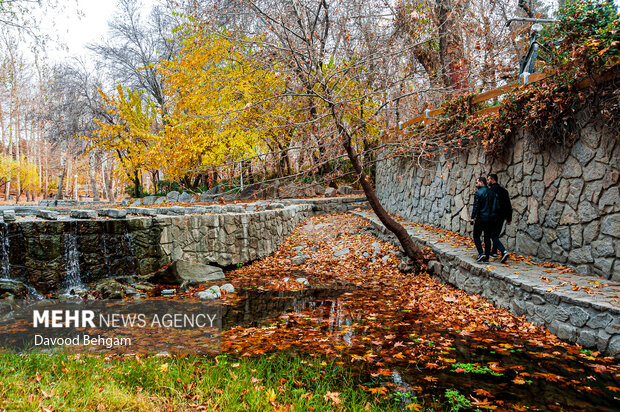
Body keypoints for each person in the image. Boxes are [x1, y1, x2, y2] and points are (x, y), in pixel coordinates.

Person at [470, 177, 504, 263]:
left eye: (477, 182)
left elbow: (476, 207)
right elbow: (498, 207)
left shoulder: (478, 193)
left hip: (481, 218)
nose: (476, 184)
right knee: (487, 238)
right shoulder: (493, 193)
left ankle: (481, 253)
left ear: (482, 182)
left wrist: (473, 217)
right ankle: (486, 258)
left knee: (476, 236)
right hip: (491, 219)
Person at [487, 173, 512, 263]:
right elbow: (508, 205)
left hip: (493, 216)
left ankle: (503, 251)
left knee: (492, 235)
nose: (487, 181)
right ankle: (493, 252)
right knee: (496, 234)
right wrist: (509, 218)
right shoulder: (504, 191)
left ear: (493, 180)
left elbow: (488, 205)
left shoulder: (490, 191)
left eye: (488, 179)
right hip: (502, 217)